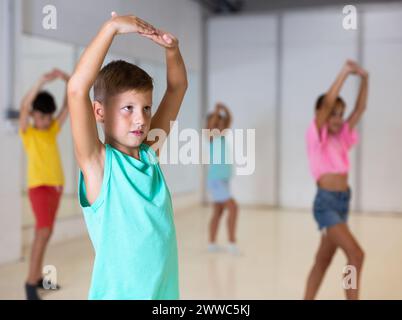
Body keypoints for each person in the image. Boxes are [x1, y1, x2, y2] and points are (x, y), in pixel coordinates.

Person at [67, 12, 187, 299]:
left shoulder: (150, 153)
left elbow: (177, 88)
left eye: (145, 108)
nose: (140, 120)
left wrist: (172, 50)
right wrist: (111, 29)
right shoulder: (100, 165)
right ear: (100, 112)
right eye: (128, 108)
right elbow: (76, 90)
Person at [304, 60, 368, 300]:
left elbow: (360, 109)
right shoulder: (315, 135)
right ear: (321, 115)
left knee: (323, 260)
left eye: (340, 115)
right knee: (356, 255)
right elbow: (328, 102)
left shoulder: (342, 137)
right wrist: (344, 72)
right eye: (333, 114)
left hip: (342, 203)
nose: (338, 118)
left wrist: (365, 79)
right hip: (326, 204)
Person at [19, 68, 70, 300]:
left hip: (56, 188)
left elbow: (68, 107)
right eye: (41, 117)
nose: (46, 121)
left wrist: (68, 81)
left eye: (49, 117)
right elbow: (24, 106)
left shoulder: (51, 130)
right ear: (33, 115)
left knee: (46, 233)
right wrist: (41, 81)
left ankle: (38, 277)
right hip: (39, 189)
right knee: (43, 232)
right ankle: (30, 283)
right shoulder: (28, 133)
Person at [206, 103, 239, 255]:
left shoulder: (222, 135)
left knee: (218, 212)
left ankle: (211, 244)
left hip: (222, 179)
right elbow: (212, 123)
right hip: (216, 180)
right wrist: (217, 111)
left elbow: (229, 119)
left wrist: (224, 108)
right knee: (233, 208)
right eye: (216, 122)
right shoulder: (211, 136)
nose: (219, 124)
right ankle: (232, 243)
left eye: (220, 122)